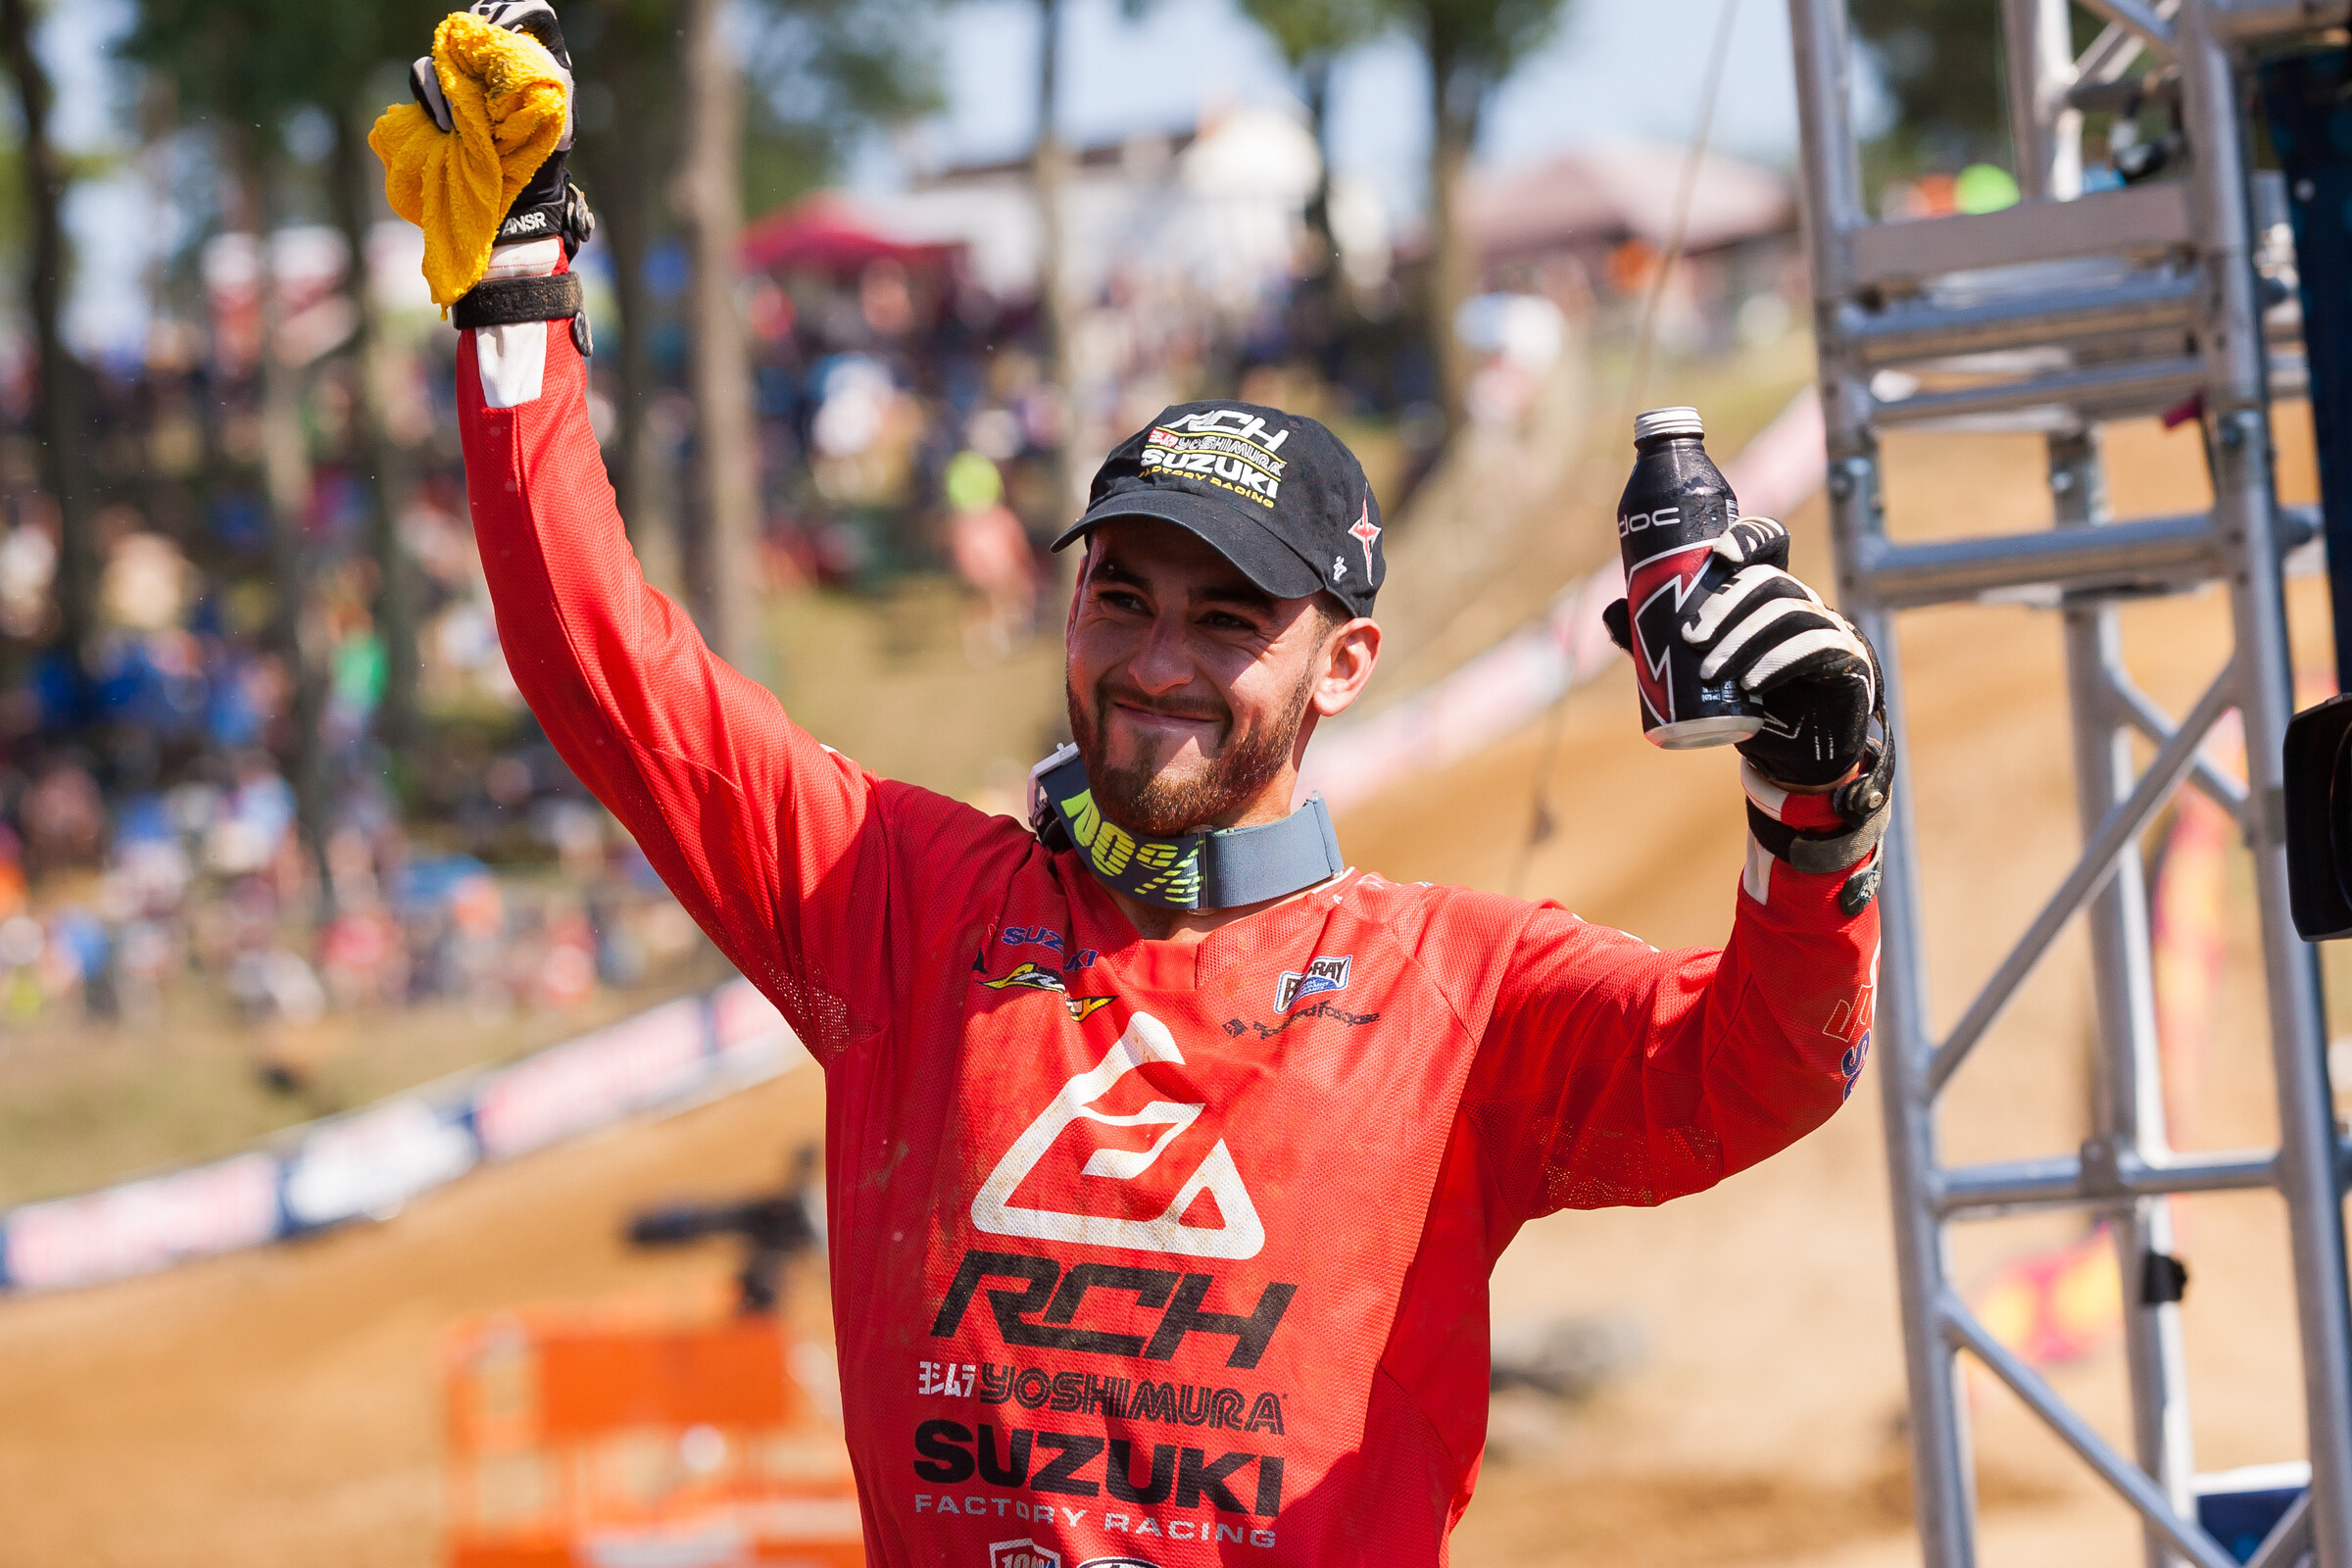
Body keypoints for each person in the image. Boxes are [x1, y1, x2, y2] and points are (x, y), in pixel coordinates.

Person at [408, 7, 1889, 1561]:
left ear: (1347, 664)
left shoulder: (1463, 993)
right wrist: (518, 298)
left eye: (1229, 617)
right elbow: (606, 674)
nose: (1158, 660)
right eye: (1122, 597)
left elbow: (1761, 1066)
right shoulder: (897, 907)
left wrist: (1816, 799)